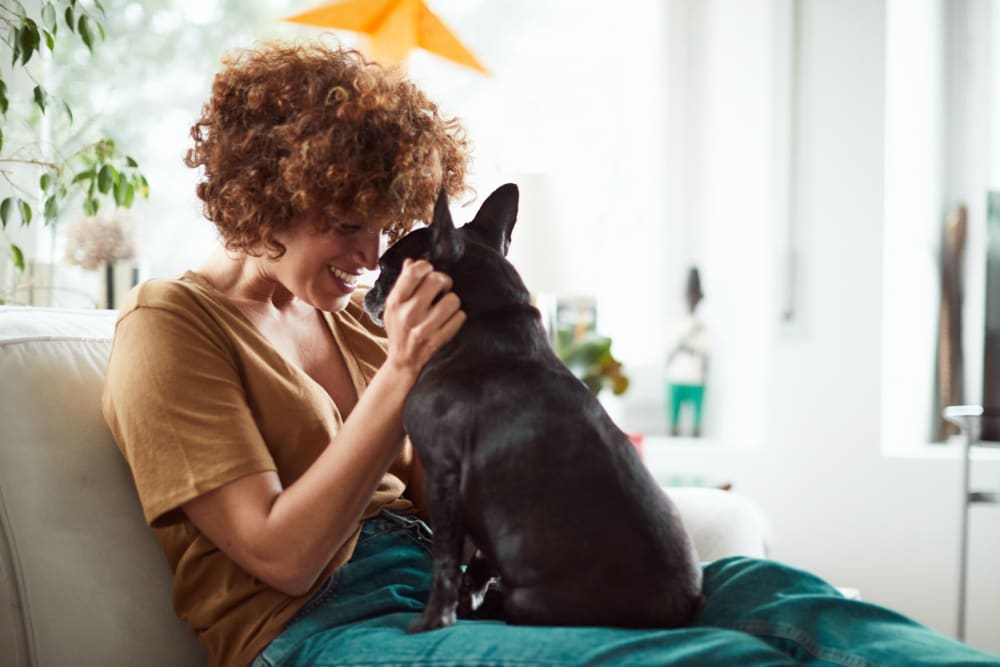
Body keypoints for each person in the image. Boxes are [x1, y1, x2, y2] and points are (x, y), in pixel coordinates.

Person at [102, 41, 1000, 667]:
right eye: (345, 223)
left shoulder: (350, 320)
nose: (372, 254)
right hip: (322, 633)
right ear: (264, 193)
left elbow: (453, 481)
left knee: (776, 593)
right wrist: (408, 370)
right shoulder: (170, 329)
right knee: (713, 658)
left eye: (382, 224)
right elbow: (283, 557)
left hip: (455, 588)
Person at [665, 266, 710, 437]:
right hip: (677, 376)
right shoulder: (676, 325)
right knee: (674, 418)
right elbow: (670, 350)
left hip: (696, 377)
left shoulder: (703, 328)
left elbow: (705, 353)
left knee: (696, 420)